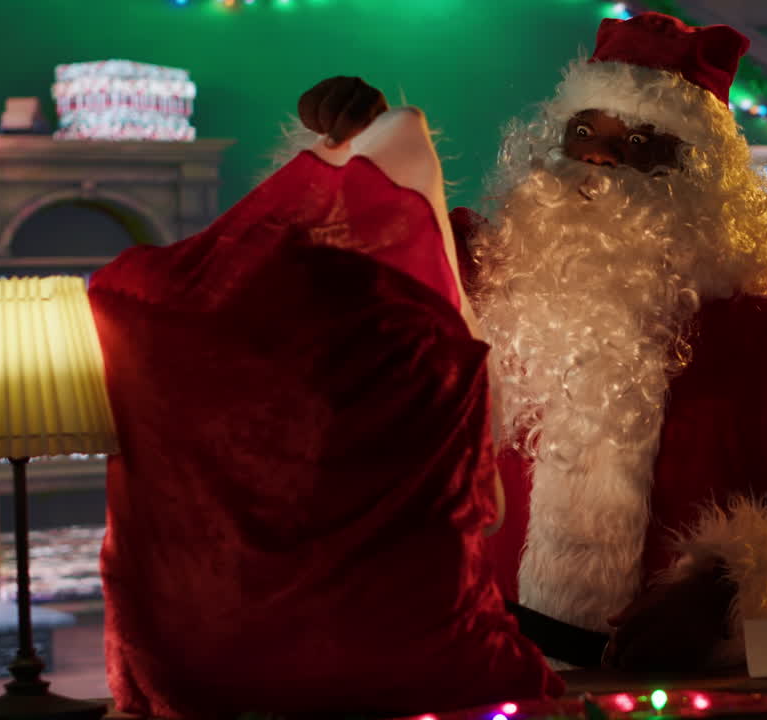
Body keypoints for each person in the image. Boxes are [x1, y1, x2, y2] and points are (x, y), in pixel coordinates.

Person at [299, 11, 767, 673]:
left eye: (640, 141)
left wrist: (730, 596)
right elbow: (341, 285)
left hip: (705, 692)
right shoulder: (472, 276)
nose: (598, 155)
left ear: (699, 173)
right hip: (477, 673)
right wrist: (356, 153)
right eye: (584, 132)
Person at [91, 105, 562, 718]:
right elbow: (487, 509)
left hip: (197, 680)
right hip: (431, 670)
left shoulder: (171, 317)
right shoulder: (422, 346)